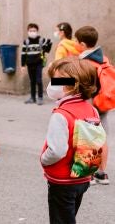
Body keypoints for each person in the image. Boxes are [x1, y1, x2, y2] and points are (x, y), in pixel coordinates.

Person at [41, 57, 99, 224]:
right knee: (69, 214)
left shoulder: (61, 115)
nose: (52, 84)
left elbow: (57, 151)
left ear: (72, 85)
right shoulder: (92, 109)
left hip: (62, 180)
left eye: (57, 80)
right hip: (83, 176)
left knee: (61, 219)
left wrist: (44, 159)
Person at [75, 26, 110, 185]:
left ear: (82, 44)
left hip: (89, 105)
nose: (75, 44)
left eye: (76, 41)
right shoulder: (103, 58)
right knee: (101, 138)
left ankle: (89, 175)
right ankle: (102, 174)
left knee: (88, 139)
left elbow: (77, 85)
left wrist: (55, 78)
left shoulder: (85, 63)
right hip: (103, 103)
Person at [21, 23, 52, 105]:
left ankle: (40, 97)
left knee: (38, 80)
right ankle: (32, 97)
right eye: (30, 30)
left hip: (39, 63)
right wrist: (22, 65)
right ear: (28, 31)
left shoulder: (41, 40)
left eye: (34, 30)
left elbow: (47, 49)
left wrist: (49, 43)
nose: (32, 32)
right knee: (32, 81)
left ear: (37, 31)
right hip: (29, 64)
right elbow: (23, 54)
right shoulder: (26, 42)